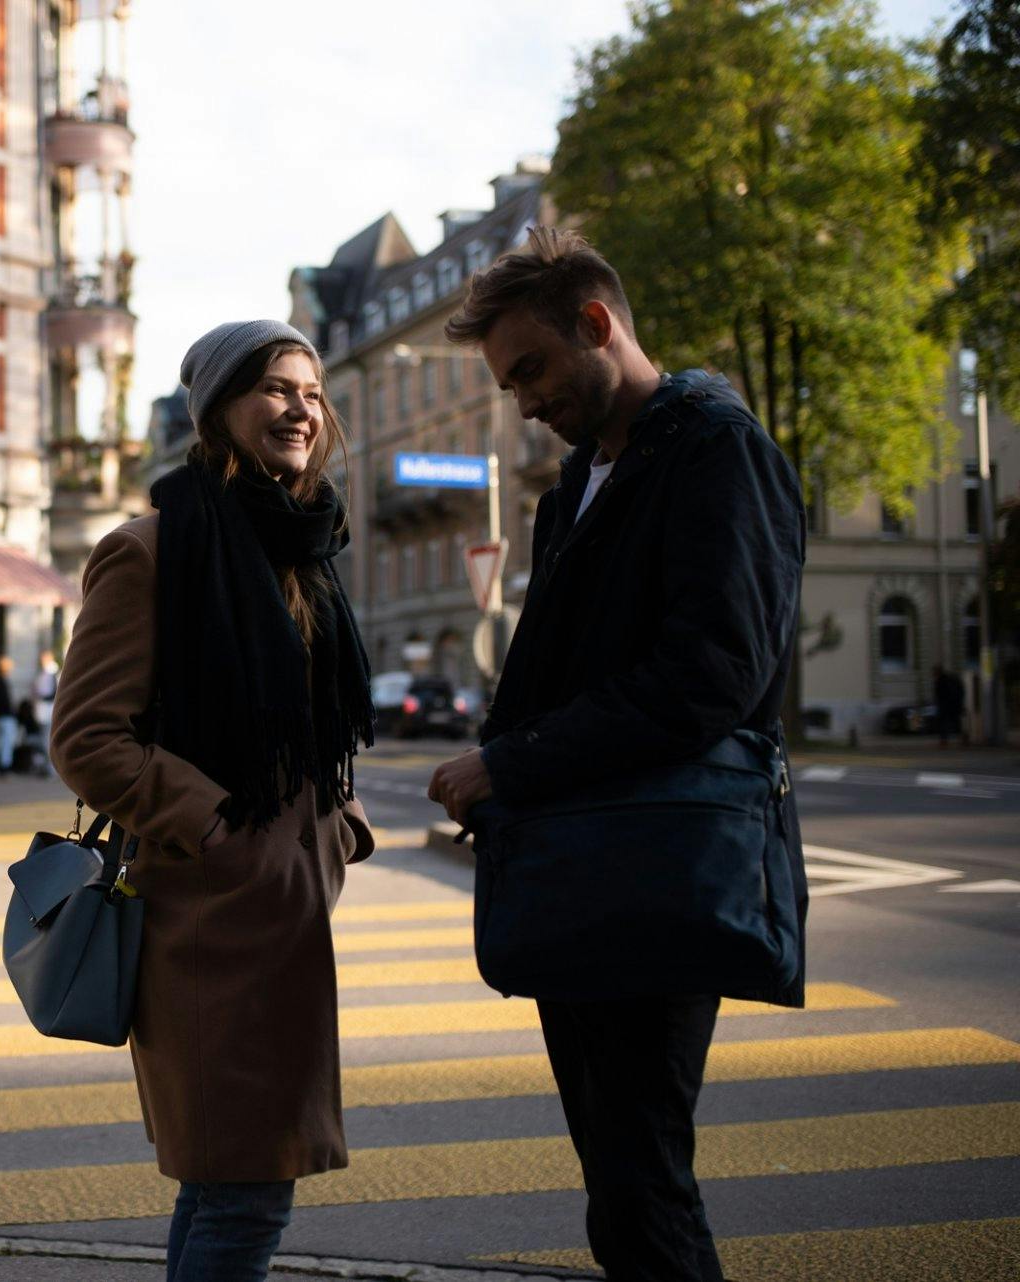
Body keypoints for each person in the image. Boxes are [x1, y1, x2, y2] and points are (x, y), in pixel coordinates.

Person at [426, 227, 808, 1282]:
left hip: (659, 859)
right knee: (619, 1180)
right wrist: (500, 757)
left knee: (642, 1186)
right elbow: (567, 668)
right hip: (587, 859)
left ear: (597, 324)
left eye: (531, 370)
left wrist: (511, 766)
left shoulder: (717, 451)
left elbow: (711, 676)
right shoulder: (580, 483)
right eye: (509, 383)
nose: (523, 403)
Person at [50, 319, 378, 1282]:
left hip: (282, 910)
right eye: (275, 388)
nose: (301, 409)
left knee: (225, 1185)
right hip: (206, 922)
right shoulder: (151, 552)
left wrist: (336, 829)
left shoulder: (298, 553)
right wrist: (222, 831)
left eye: (312, 393)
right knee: (246, 1194)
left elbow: (306, 726)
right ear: (218, 410)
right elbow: (88, 740)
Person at [933, 664, 967, 748]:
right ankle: (963, 739)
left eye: (935, 672)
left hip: (946, 706)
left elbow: (940, 694)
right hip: (954, 705)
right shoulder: (950, 679)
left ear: (938, 672)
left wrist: (939, 703)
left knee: (943, 724)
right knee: (956, 723)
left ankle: (944, 741)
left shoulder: (941, 681)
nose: (933, 674)